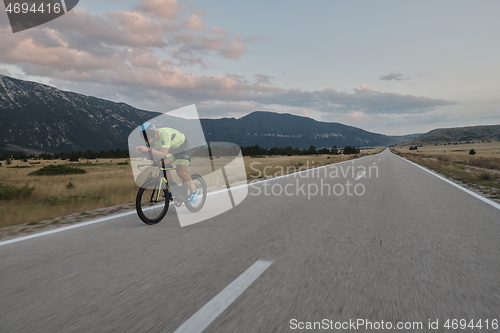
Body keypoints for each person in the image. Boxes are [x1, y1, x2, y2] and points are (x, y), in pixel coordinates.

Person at [136, 123, 199, 204]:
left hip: (184, 147)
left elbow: (163, 154)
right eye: (144, 138)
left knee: (180, 171)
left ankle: (193, 192)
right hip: (173, 148)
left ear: (153, 134)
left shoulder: (164, 134)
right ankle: (174, 189)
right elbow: (153, 155)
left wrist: (148, 150)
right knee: (162, 164)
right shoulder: (151, 139)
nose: (146, 140)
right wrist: (143, 152)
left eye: (147, 138)